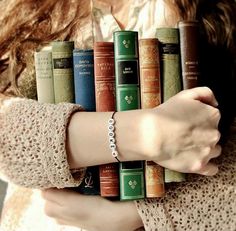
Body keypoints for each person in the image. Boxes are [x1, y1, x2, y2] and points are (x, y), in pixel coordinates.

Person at [0, 0, 235, 230]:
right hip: (41, 220)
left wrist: (139, 215)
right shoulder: (22, 8)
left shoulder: (219, 11)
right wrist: (144, 134)